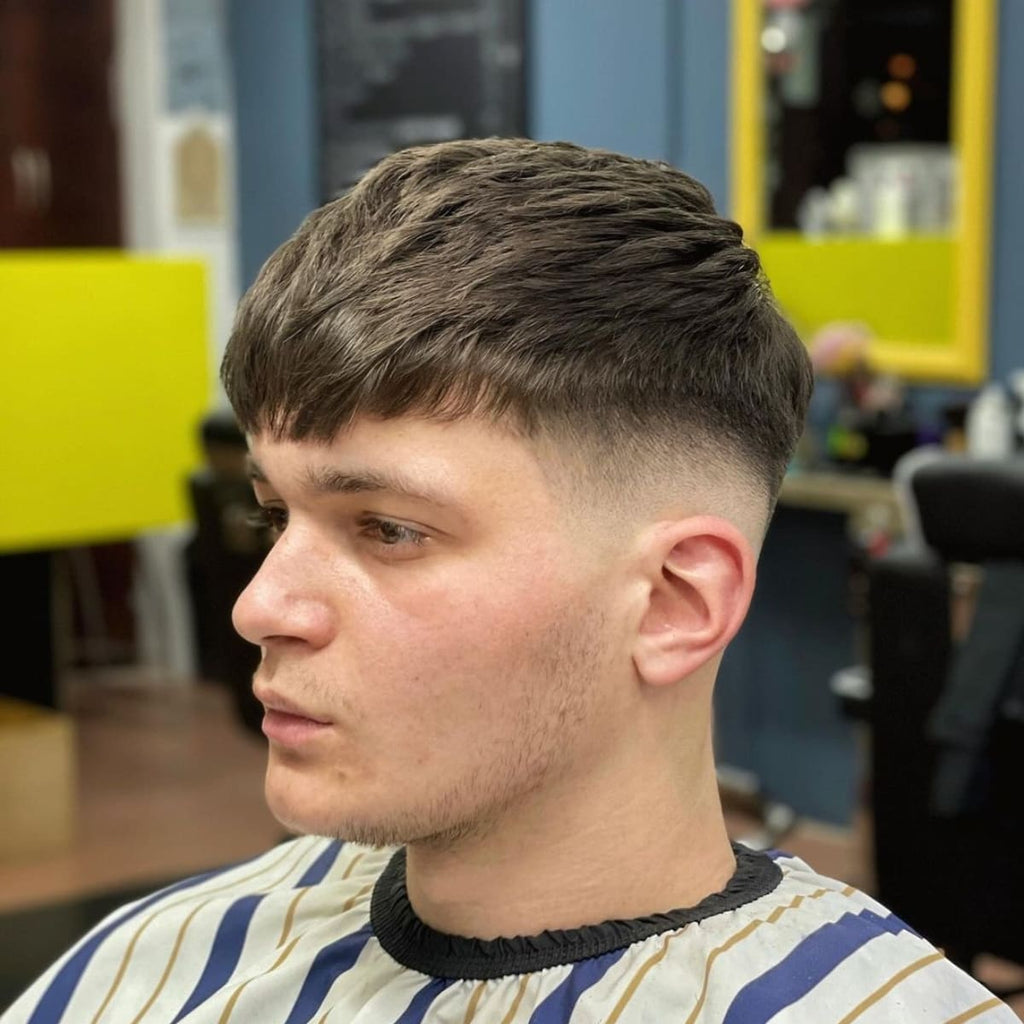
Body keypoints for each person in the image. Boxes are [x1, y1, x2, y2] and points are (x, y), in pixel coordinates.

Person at [5, 139, 1014, 1023]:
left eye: (387, 528)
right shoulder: (159, 959)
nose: (259, 604)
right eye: (275, 514)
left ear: (674, 601)